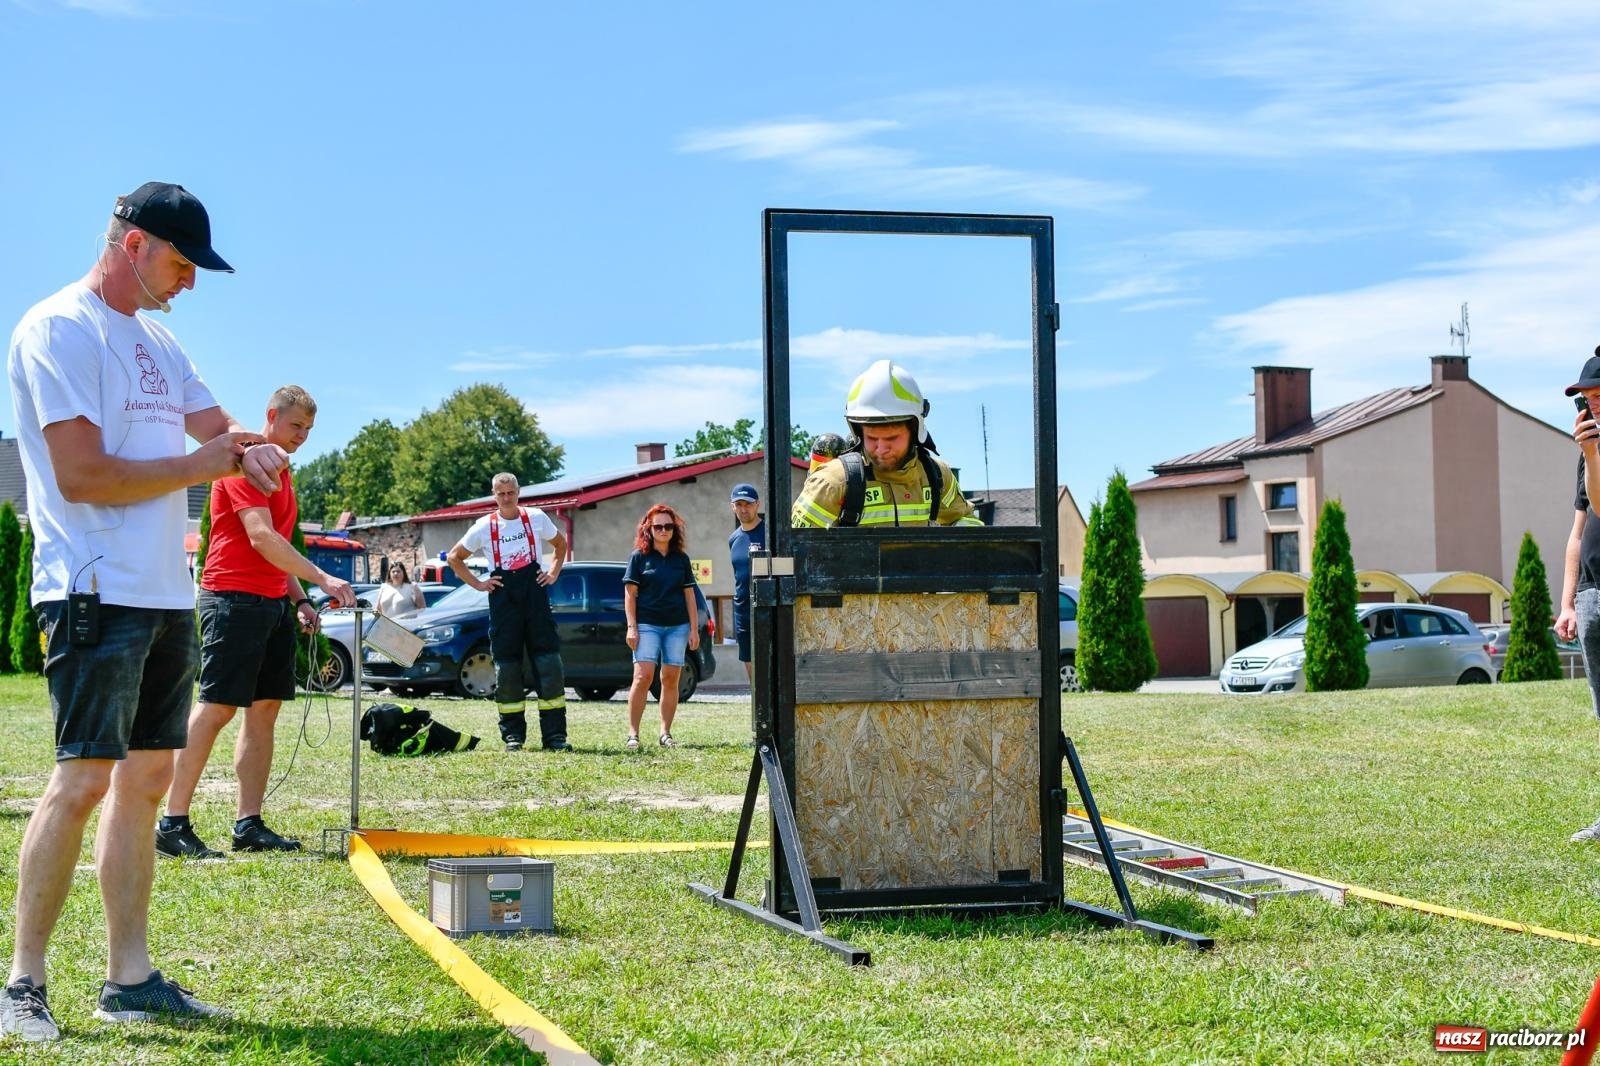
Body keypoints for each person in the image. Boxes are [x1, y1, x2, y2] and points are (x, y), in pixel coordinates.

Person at [3, 181, 287, 1042]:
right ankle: (22, 986)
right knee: (83, 780)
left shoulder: (158, 339)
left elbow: (216, 426)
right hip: (92, 587)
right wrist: (208, 466)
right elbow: (83, 475)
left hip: (164, 591)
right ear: (132, 244)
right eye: (180, 261)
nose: (190, 281)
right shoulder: (57, 328)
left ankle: (128, 979)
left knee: (147, 782)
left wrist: (252, 446)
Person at [157, 385, 356, 861]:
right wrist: (324, 577)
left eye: (309, 429)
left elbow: (279, 549)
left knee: (264, 710)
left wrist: (301, 599)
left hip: (271, 603)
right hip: (230, 599)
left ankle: (248, 823)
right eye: (295, 426)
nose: (302, 437)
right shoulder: (240, 463)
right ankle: (172, 823)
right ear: (271, 416)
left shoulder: (282, 473)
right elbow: (262, 537)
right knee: (216, 708)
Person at [448, 473, 570, 751]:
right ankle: (513, 737)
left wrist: (552, 573)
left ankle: (555, 737)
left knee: (548, 664)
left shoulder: (536, 517)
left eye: (510, 492)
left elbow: (560, 544)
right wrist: (479, 583)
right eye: (501, 493)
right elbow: (455, 558)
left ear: (518, 492)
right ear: (494, 494)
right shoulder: (483, 526)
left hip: (535, 597)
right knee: (507, 669)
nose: (506, 498)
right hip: (503, 600)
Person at [791, 360, 983, 529]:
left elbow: (965, 521)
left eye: (892, 439)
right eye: (872, 439)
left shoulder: (937, 476)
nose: (881, 449)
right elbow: (796, 554)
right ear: (858, 432)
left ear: (915, 430)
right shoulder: (832, 483)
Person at [1559, 349, 1600, 842]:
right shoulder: (1588, 452)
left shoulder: (1592, 453)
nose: (1593, 406)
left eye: (1599, 396)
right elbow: (1578, 531)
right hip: (1593, 595)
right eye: (1587, 399)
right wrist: (1568, 601)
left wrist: (1592, 455)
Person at [623, 504, 700, 749]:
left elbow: (690, 596)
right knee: (643, 676)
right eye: (658, 526)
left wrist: (694, 629)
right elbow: (629, 594)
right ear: (649, 528)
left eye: (668, 526)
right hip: (647, 625)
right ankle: (633, 734)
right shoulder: (639, 557)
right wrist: (631, 626)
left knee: (670, 678)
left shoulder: (681, 559)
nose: (663, 530)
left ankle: (665, 733)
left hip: (677, 626)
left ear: (674, 529)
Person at [727, 483, 766, 683]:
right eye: (739, 504)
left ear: (757, 505)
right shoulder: (733, 539)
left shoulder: (770, 533)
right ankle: (758, 710)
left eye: (748, 504)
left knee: (771, 661)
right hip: (743, 610)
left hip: (768, 608)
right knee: (750, 663)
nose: (744, 509)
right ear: (733, 507)